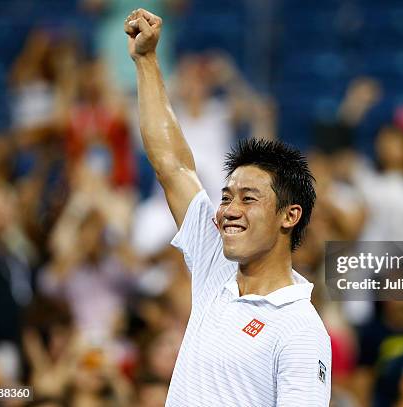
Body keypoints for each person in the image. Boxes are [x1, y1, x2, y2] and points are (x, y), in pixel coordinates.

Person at [124, 8, 331, 407]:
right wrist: (147, 61)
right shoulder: (214, 264)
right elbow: (173, 164)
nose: (229, 210)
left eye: (249, 199)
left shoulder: (300, 329)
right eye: (226, 196)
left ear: (289, 216)